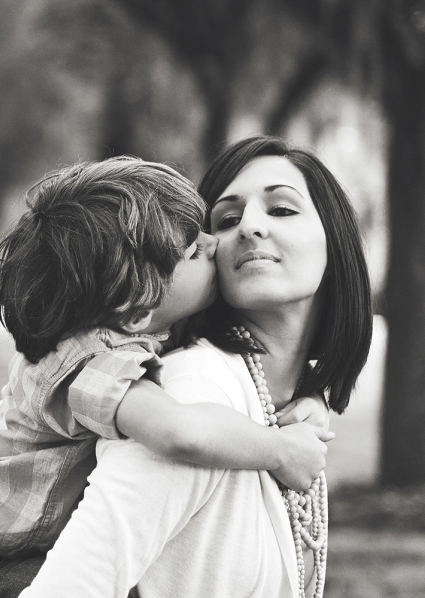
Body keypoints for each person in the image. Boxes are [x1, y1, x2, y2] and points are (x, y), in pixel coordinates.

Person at [0, 155, 332, 598]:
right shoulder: (91, 362)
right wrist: (280, 451)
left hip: (7, 557)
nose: (214, 244)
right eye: (193, 250)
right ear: (139, 307)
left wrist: (313, 399)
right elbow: (183, 433)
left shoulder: (132, 329)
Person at [19, 136, 374, 598]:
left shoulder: (277, 403)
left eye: (281, 210)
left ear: (336, 241)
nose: (248, 227)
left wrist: (312, 397)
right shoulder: (196, 389)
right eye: (226, 219)